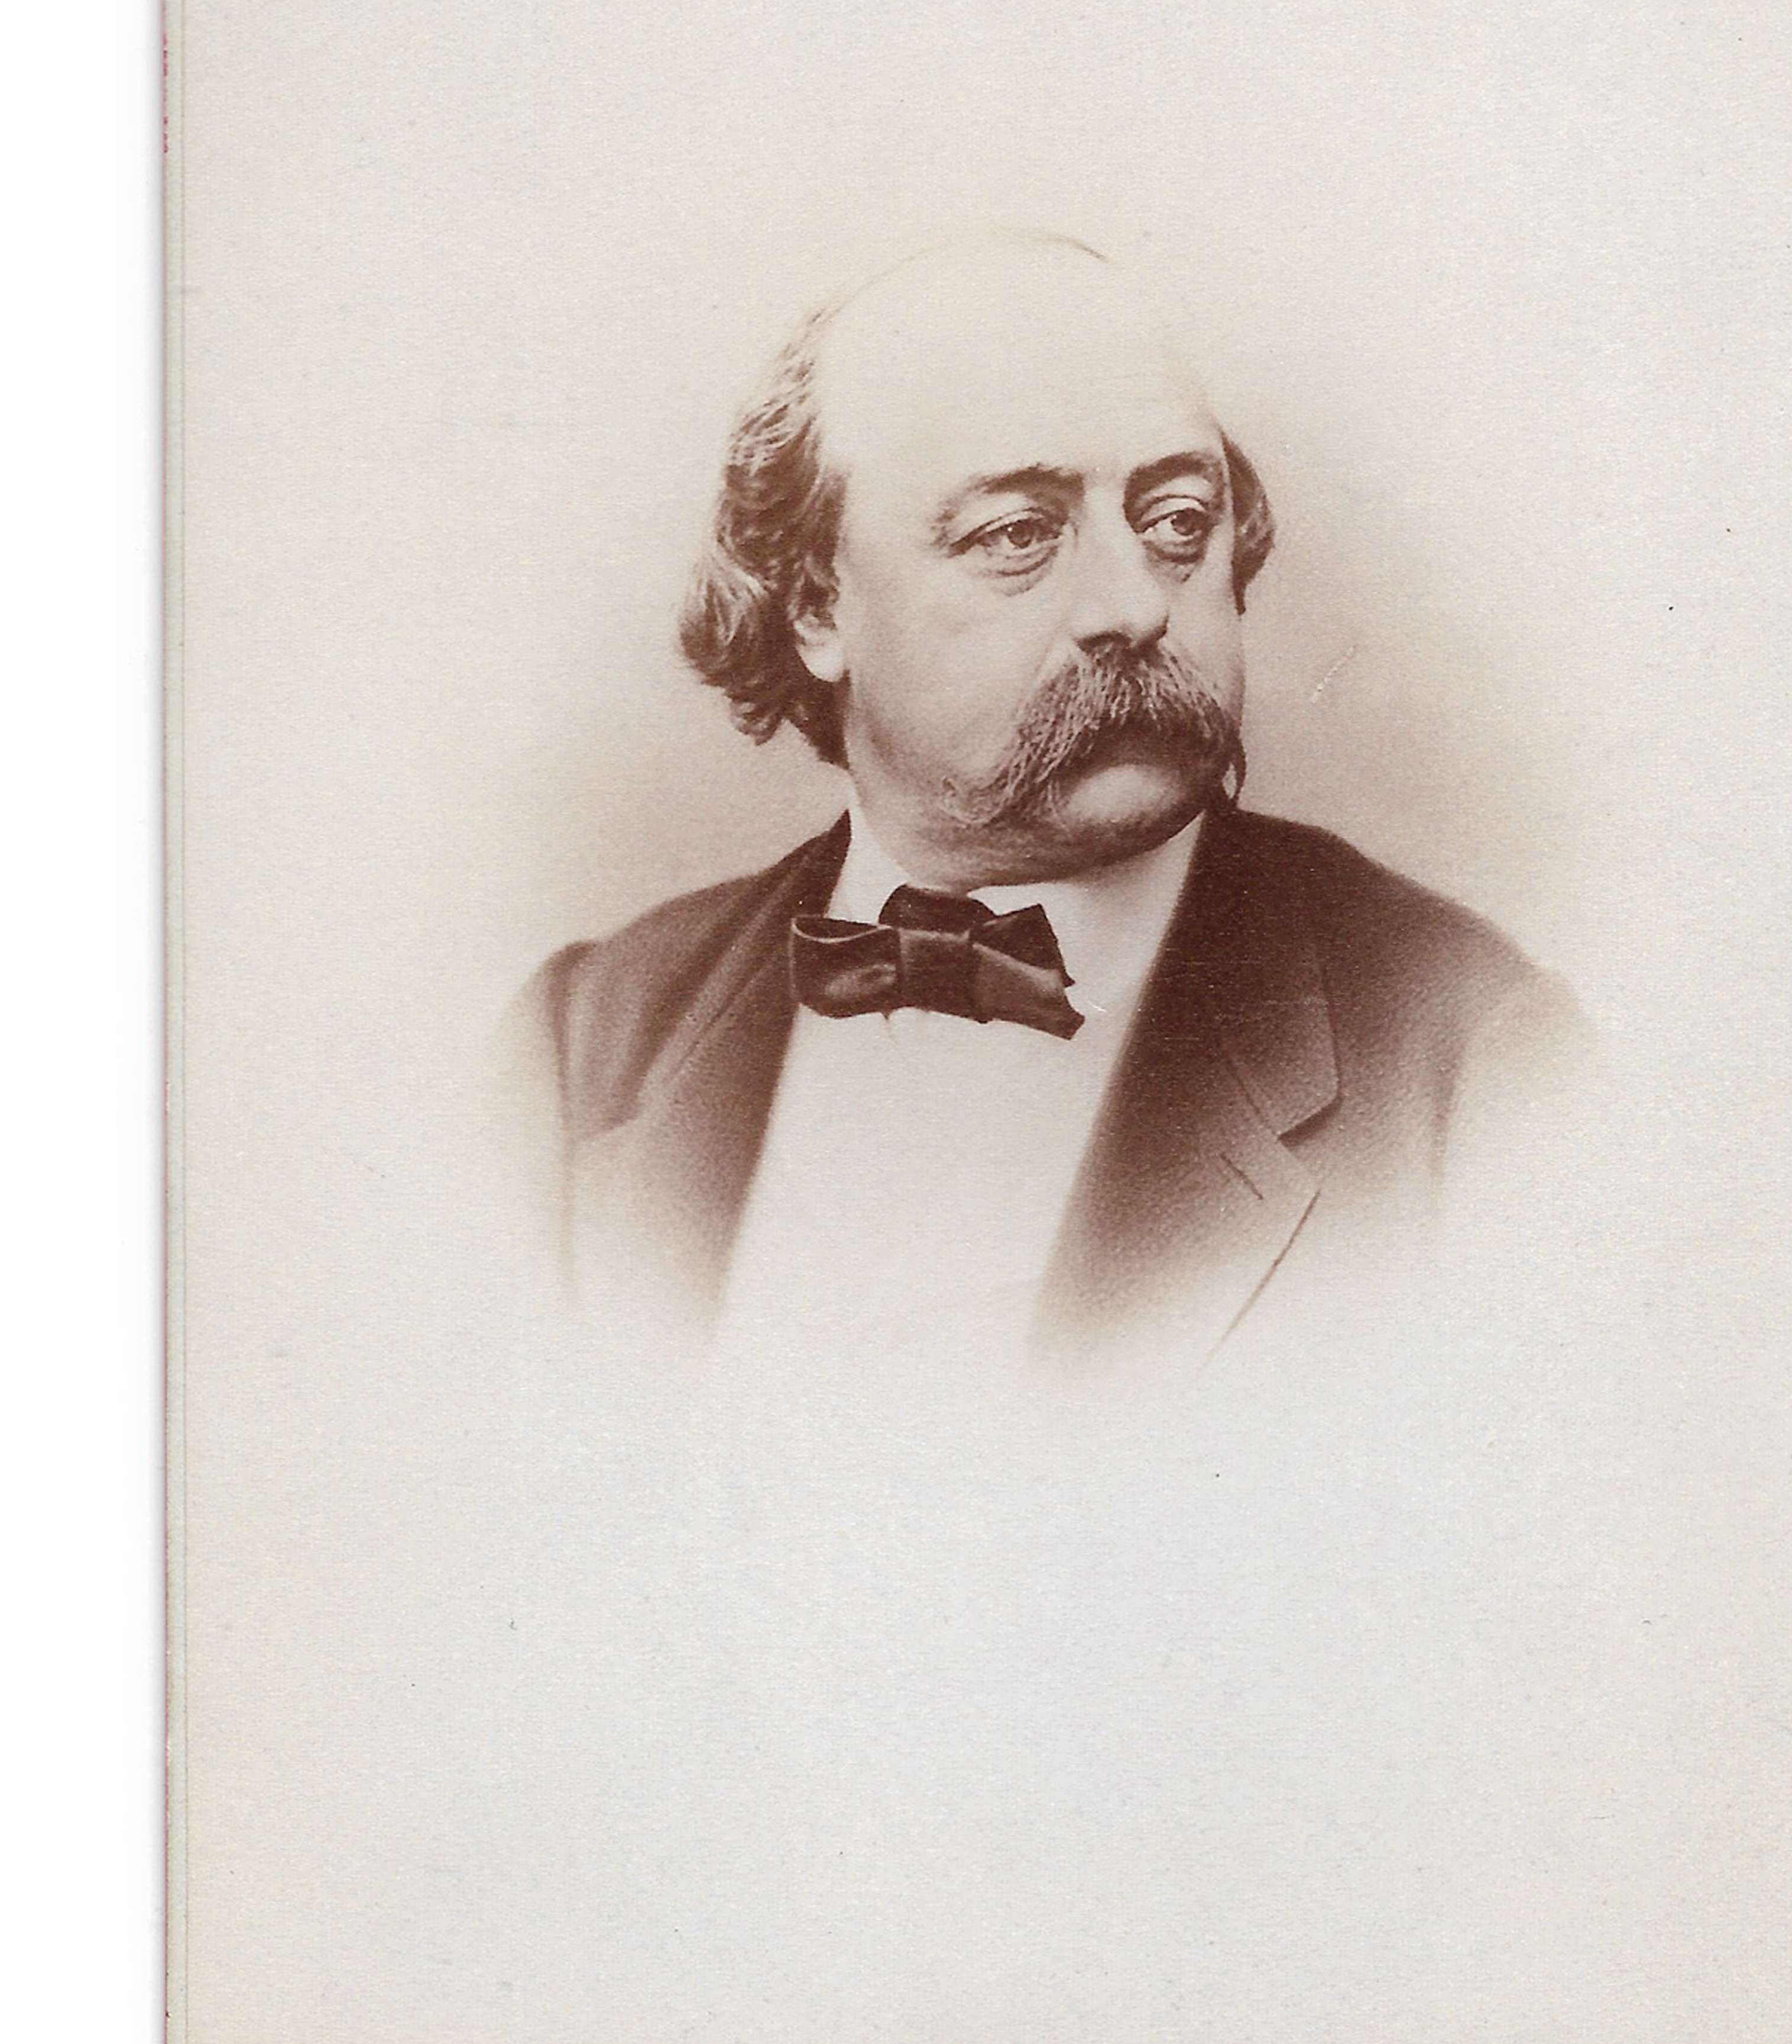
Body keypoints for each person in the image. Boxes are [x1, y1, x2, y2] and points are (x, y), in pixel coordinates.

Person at [511, 235, 1578, 1376]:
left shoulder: (1480, 1068)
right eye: (1017, 534)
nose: (1132, 606)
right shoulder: (581, 1049)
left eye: (1177, 521)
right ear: (817, 605)